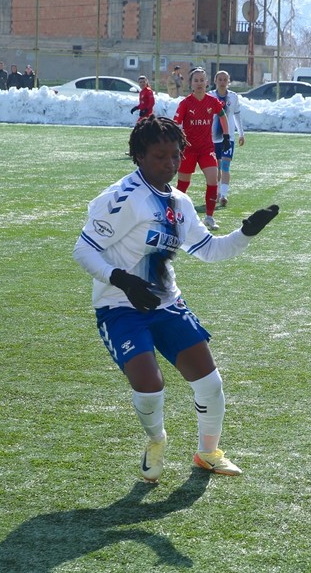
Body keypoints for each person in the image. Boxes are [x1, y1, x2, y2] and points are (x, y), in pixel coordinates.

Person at [72, 115, 279, 484]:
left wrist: (246, 233)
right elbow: (84, 251)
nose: (169, 164)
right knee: (150, 384)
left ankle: (208, 452)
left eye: (174, 156)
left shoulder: (180, 203)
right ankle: (156, 439)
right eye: (158, 156)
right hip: (120, 308)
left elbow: (210, 251)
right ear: (138, 156)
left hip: (168, 306)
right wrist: (123, 281)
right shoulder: (122, 198)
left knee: (210, 383)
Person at [172, 67, 229, 230]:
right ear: (190, 83)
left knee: (212, 180)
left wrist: (226, 136)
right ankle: (175, 215)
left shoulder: (212, 101)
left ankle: (209, 217)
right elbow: (175, 124)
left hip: (206, 149)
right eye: (195, 80)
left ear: (207, 83)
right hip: (188, 150)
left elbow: (222, 115)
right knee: (183, 185)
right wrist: (176, 142)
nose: (199, 83)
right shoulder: (185, 103)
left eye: (202, 80)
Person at [208, 70, 245, 207]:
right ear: (215, 81)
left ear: (228, 81)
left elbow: (237, 115)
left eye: (225, 79)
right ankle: (217, 192)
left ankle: (224, 195)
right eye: (220, 79)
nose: (222, 82)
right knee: (216, 167)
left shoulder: (233, 97)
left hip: (227, 137)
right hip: (213, 138)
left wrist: (241, 133)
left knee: (225, 165)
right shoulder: (210, 96)